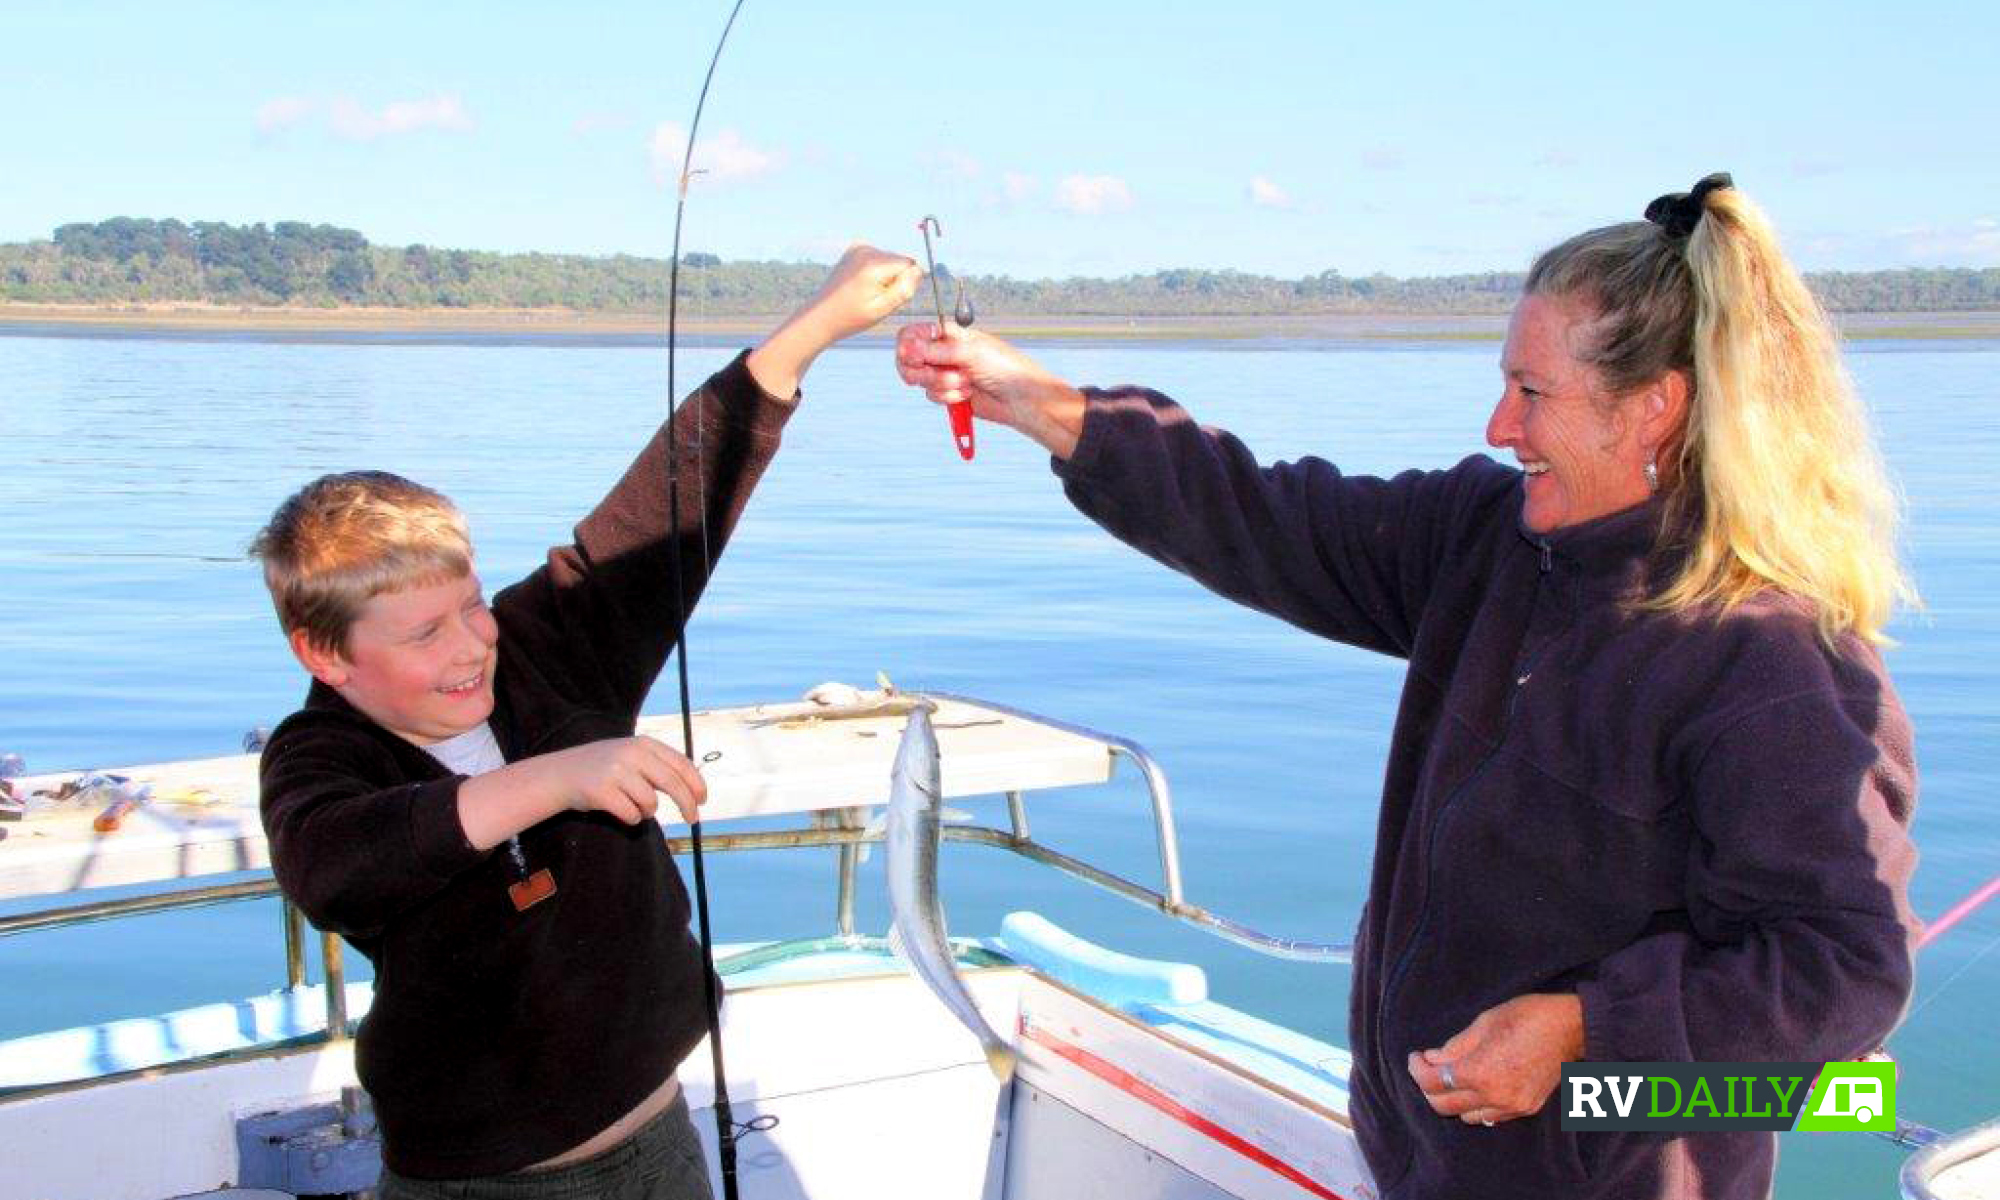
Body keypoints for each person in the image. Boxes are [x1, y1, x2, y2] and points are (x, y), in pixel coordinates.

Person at [895, 175, 1919, 1199]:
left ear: (1654, 407)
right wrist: (1029, 399)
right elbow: (1263, 516)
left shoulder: (1768, 661)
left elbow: (1845, 970)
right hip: (1425, 1163)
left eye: (1532, 392)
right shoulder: (1489, 543)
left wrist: (1578, 1036)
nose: (1496, 424)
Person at [251, 245, 921, 1199]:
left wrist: (816, 327)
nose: (471, 646)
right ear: (324, 654)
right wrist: (555, 779)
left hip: (659, 1140)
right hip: (478, 1181)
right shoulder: (317, 757)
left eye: (472, 607)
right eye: (424, 633)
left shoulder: (544, 646)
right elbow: (339, 865)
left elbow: (673, 503)